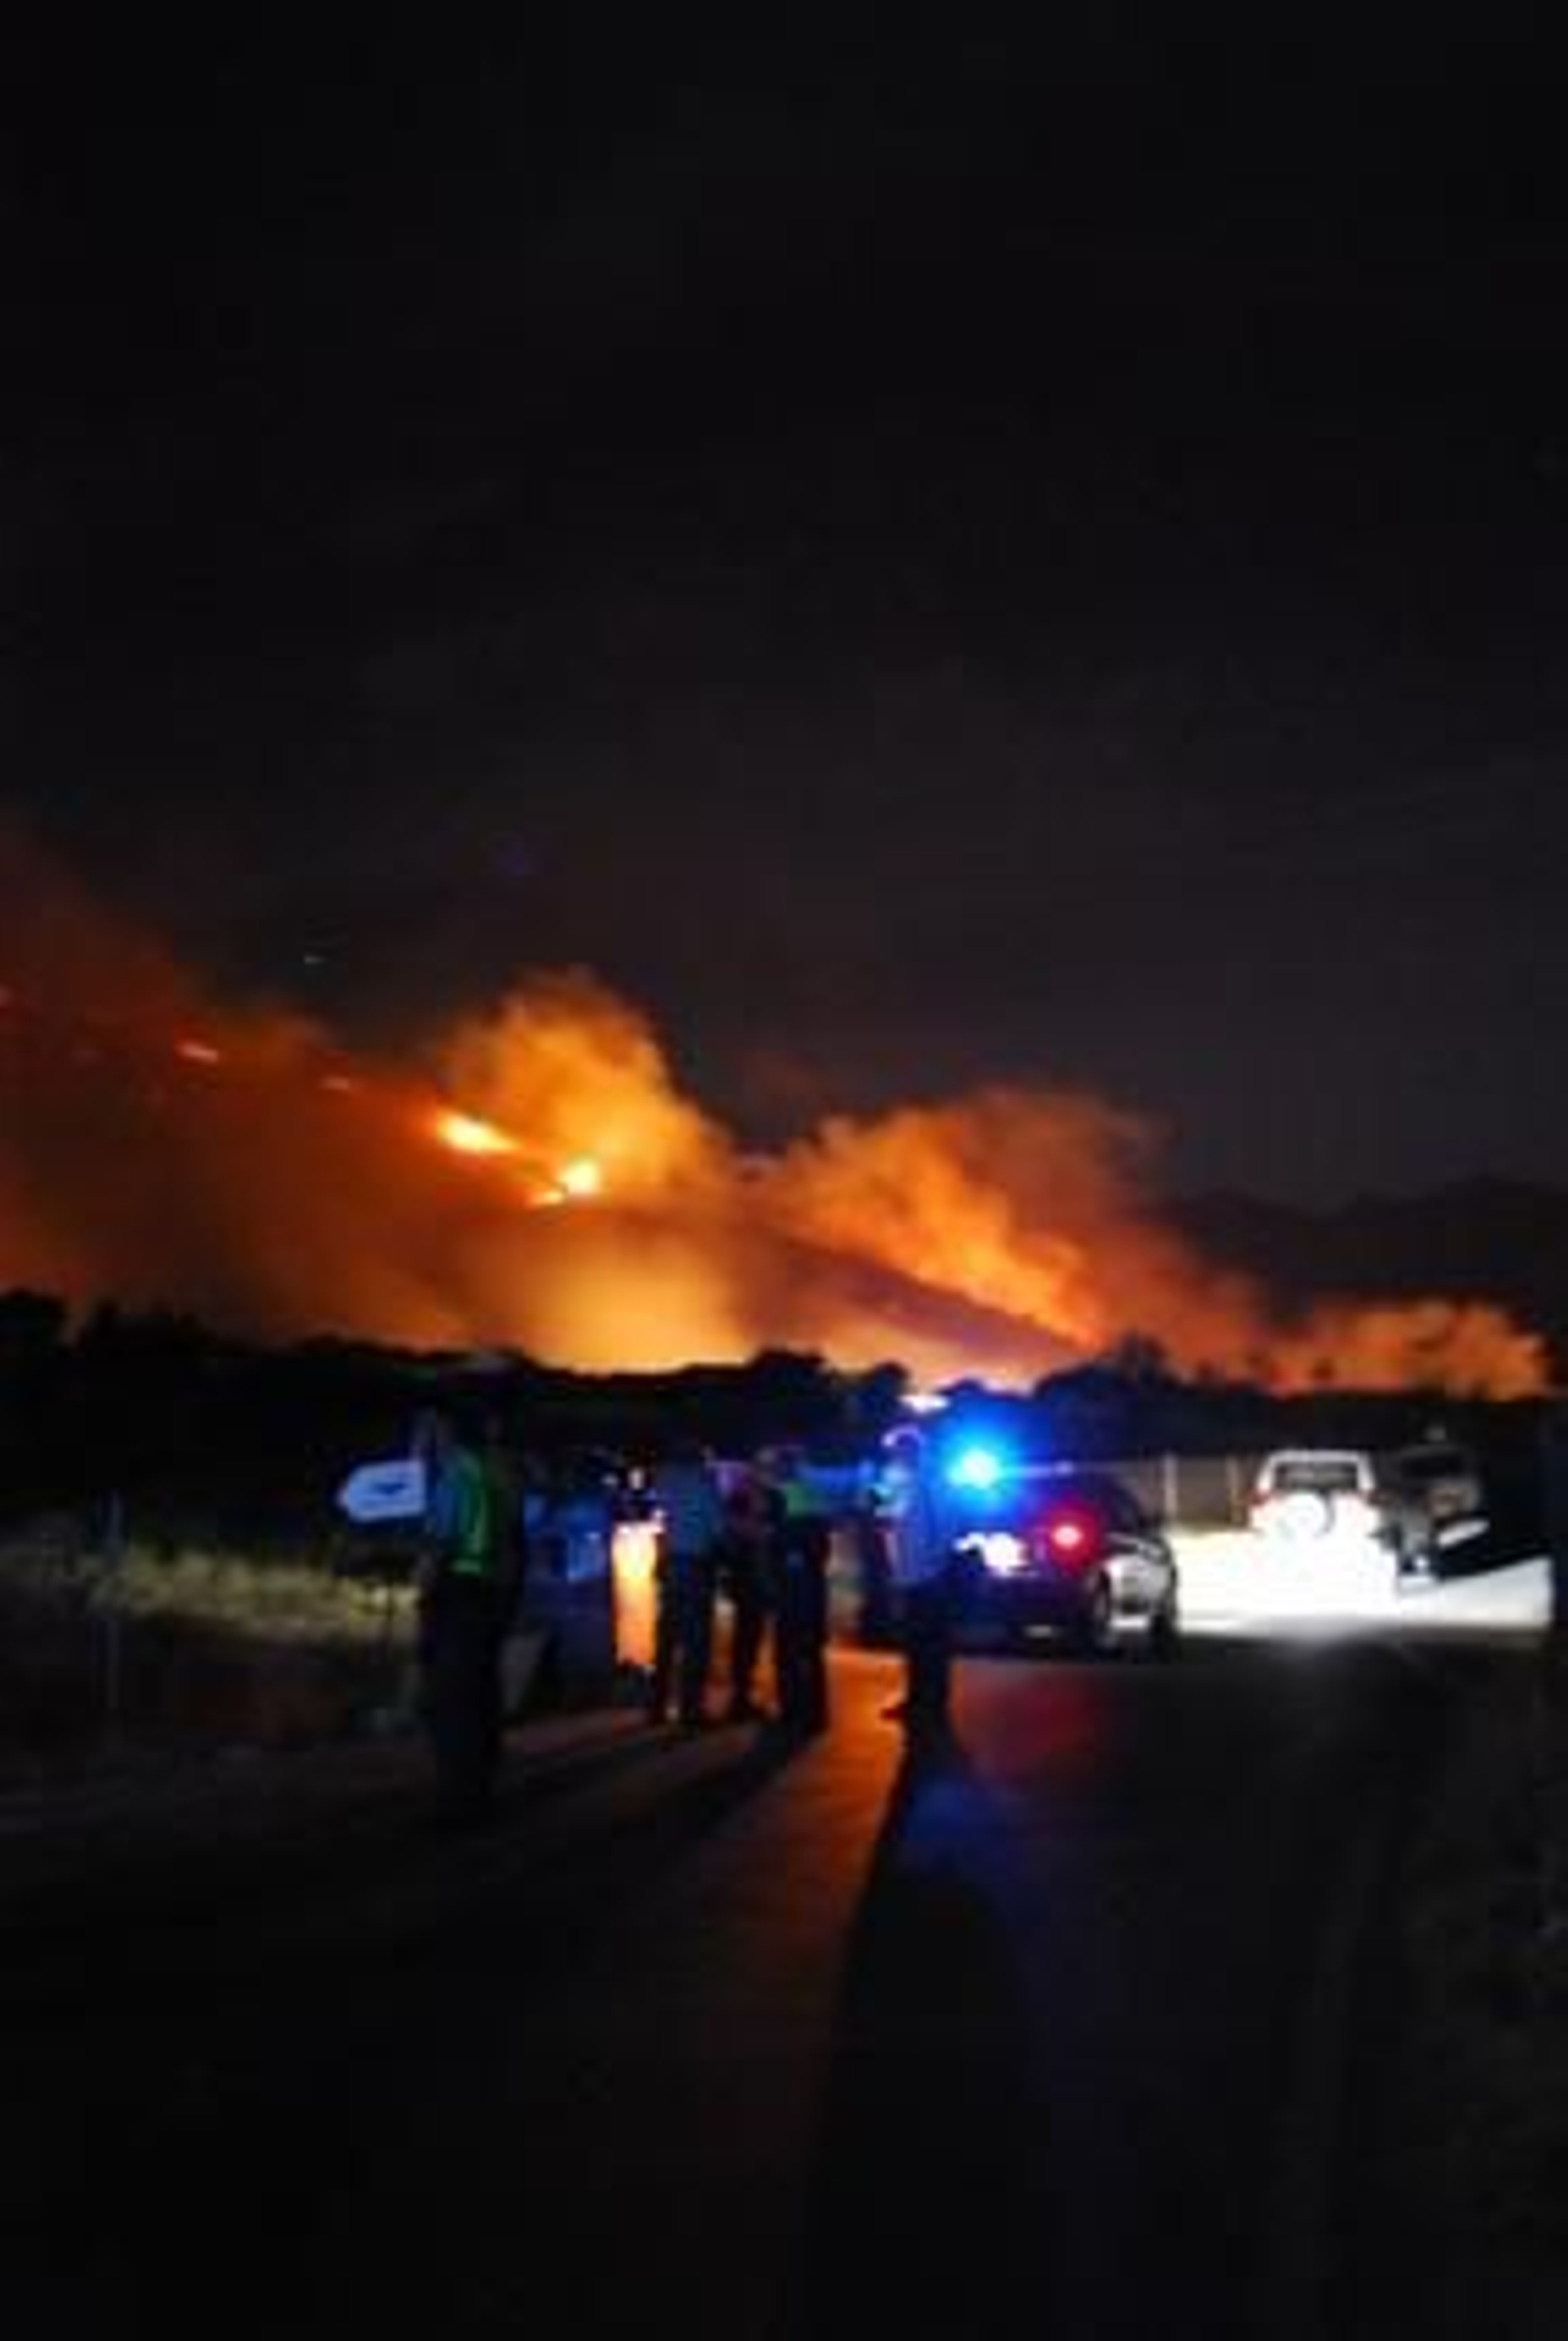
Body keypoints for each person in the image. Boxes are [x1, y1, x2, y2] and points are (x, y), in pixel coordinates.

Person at [416, 1404, 509, 1821]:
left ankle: (458, 1798)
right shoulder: (495, 1473)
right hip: (492, 1593)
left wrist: (424, 1592)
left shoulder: (454, 1478)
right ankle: (481, 1786)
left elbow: (439, 1545)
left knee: (453, 1699)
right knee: (481, 1692)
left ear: (446, 1436)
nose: (421, 1443)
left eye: (428, 1435)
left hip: (459, 1593)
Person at [877, 1426, 956, 1738]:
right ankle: (916, 1699)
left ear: (912, 1450)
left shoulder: (933, 1479)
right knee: (913, 1642)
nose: (894, 1456)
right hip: (906, 1572)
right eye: (893, 1451)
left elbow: (947, 1523)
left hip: (928, 1573)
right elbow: (884, 1519)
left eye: (898, 1450)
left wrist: (938, 1563)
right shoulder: (896, 1479)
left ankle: (932, 1702)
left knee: (929, 1642)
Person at [649, 1439, 725, 1728]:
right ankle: (690, 1709)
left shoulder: (666, 1479)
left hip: (670, 1564)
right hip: (695, 1564)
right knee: (696, 1641)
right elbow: (717, 1528)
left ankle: (656, 1707)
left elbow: (661, 1517)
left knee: (667, 1637)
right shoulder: (705, 1484)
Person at [767, 1444, 832, 1735]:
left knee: (789, 1650)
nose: (774, 1471)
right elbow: (820, 1541)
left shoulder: (787, 1494)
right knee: (810, 1652)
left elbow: (788, 1539)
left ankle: (793, 1712)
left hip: (796, 1586)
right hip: (812, 1585)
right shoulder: (813, 1494)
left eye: (778, 1465)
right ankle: (815, 1713)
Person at [721, 1456, 784, 1723]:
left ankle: (745, 1697)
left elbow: (776, 1531)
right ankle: (741, 1698)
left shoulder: (771, 1497)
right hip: (750, 1579)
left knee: (754, 1637)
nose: (753, 1477)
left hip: (763, 1577)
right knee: (748, 1637)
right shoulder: (742, 1499)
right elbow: (734, 1533)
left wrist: (754, 1531)